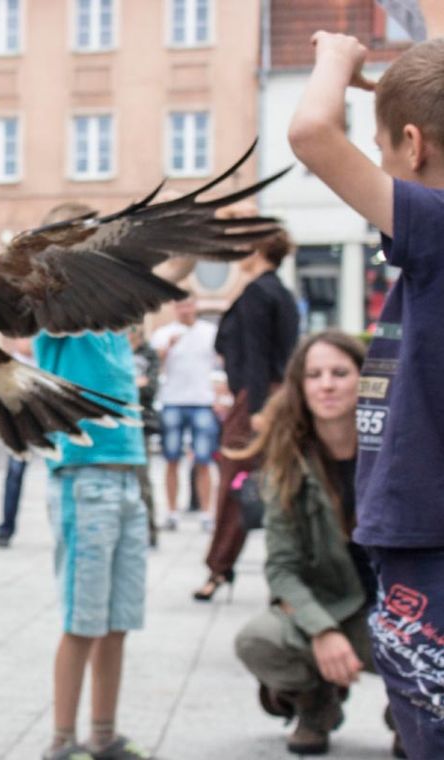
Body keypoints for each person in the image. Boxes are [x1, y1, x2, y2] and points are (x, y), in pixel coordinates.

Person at [288, 23, 444, 757]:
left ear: (414, 146)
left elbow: (311, 131)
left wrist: (336, 62)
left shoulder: (437, 226)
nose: (376, 171)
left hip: (427, 538)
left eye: (382, 153)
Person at [233, 331, 404, 757]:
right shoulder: (289, 464)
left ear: (365, 380)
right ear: (300, 386)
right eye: (314, 375)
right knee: (259, 639)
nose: (326, 384)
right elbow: (281, 569)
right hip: (333, 609)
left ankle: (410, 710)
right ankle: (317, 705)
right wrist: (322, 630)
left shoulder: (400, 454)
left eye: (340, 373)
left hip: (399, 613)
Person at [34, 202, 156, 760]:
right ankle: (62, 741)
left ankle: (102, 734)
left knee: (117, 621)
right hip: (84, 481)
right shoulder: (59, 309)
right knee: (83, 619)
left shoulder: (115, 323)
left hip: (127, 479)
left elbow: (164, 273)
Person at [194, 227, 298, 602]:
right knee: (275, 487)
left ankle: (219, 568)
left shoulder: (259, 292)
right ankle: (274, 577)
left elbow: (255, 354)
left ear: (257, 250)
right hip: (273, 396)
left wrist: (254, 409)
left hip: (257, 399)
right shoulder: (280, 292)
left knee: (236, 483)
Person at [149, 296, 219, 531]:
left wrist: (220, 395)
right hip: (172, 401)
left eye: (188, 304)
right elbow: (152, 366)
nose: (184, 310)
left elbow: (220, 364)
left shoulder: (210, 332)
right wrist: (167, 348)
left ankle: (207, 513)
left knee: (203, 460)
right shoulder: (163, 333)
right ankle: (171, 512)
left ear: (195, 305)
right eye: (179, 305)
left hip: (202, 401)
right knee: (171, 459)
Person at [0, 336, 33, 548]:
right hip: (21, 419)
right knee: (15, 472)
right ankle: (6, 529)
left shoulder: (47, 357)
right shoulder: (11, 365)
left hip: (47, 413)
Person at [127, 324, 161, 547]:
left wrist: (131, 385)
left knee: (142, 479)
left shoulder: (149, 354)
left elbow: (150, 389)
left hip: (141, 422)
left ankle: (150, 530)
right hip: (119, 422)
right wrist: (134, 383)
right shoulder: (117, 350)